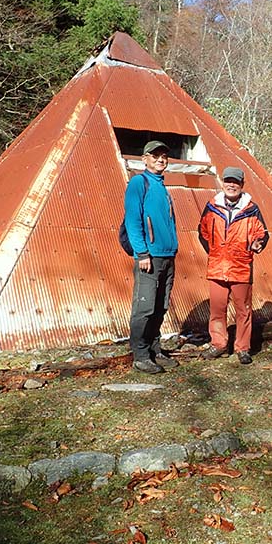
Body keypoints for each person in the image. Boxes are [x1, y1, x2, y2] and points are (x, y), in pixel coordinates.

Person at [198, 166, 269, 365]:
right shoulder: (212, 206)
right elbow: (201, 231)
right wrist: (214, 253)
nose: (231, 185)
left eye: (236, 182)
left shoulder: (252, 209)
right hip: (217, 268)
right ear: (222, 183)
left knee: (243, 310)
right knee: (217, 309)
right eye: (228, 181)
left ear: (242, 185)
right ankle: (219, 345)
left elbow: (262, 234)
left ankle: (243, 348)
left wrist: (257, 245)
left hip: (241, 268)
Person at [124, 140, 179, 374]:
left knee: (160, 306)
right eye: (155, 155)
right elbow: (133, 221)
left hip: (167, 256)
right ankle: (140, 354)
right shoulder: (139, 182)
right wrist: (142, 253)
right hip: (150, 257)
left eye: (164, 155)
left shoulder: (162, 186)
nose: (160, 159)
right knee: (144, 307)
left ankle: (155, 349)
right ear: (144, 159)